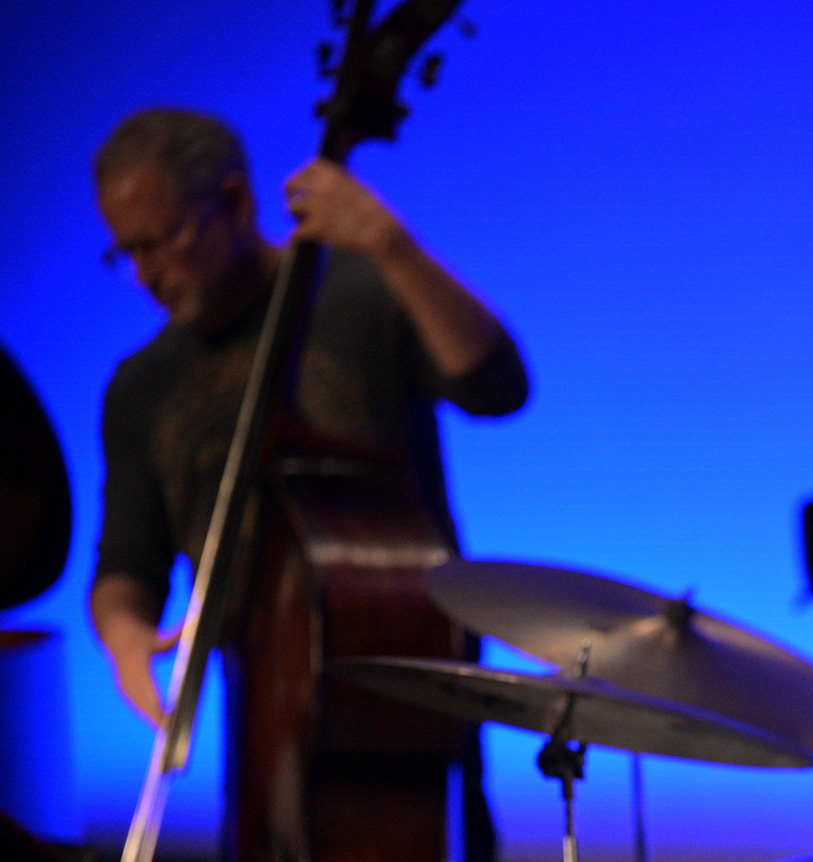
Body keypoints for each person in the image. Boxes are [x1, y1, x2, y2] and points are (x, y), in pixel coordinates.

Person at [89, 107, 527, 722]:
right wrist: (125, 635)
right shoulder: (140, 386)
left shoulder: (362, 294)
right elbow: (127, 564)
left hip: (414, 696)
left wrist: (392, 248)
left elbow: (498, 389)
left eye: (159, 243)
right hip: (262, 712)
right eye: (125, 253)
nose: (145, 276)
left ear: (236, 204)